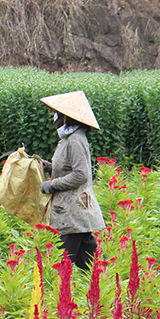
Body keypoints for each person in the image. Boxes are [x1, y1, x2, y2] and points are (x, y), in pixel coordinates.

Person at [37, 90, 105, 271]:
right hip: (74, 213)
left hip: (72, 212)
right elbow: (64, 168)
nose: (55, 118)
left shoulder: (75, 140)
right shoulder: (68, 138)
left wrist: (50, 185)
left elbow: (80, 174)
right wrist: (44, 166)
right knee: (91, 264)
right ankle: (109, 284)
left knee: (60, 266)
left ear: (67, 118)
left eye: (58, 115)